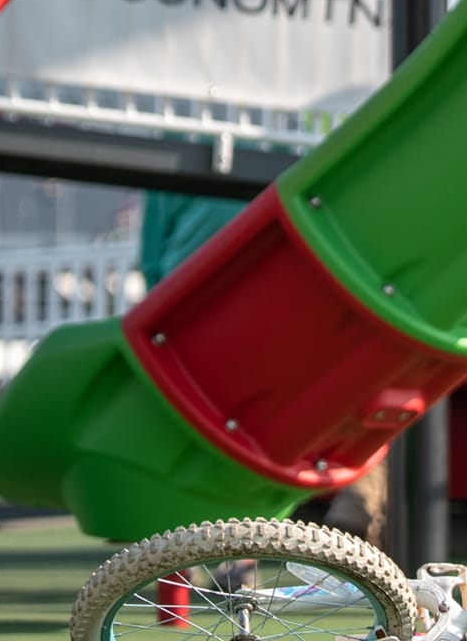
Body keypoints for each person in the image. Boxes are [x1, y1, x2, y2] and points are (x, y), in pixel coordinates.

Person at [142, 188, 386, 542]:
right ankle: (356, 501)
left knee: (214, 425)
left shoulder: (176, 152)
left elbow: (153, 262)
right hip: (293, 301)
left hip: (195, 315)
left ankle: (228, 543)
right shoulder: (291, 149)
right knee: (361, 382)